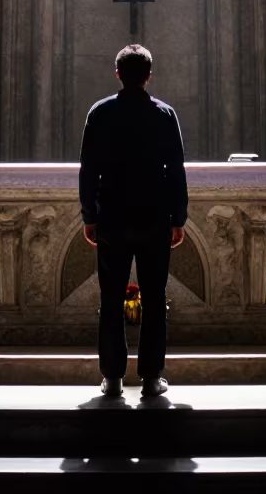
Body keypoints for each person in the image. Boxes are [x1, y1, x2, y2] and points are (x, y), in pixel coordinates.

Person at [79, 43, 188, 399]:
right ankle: (152, 378)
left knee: (111, 298)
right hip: (155, 219)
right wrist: (178, 218)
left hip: (112, 217)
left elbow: (88, 170)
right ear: (148, 75)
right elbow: (175, 171)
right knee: (155, 299)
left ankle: (112, 377)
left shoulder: (100, 112)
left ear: (117, 74)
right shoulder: (164, 114)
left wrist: (89, 215)